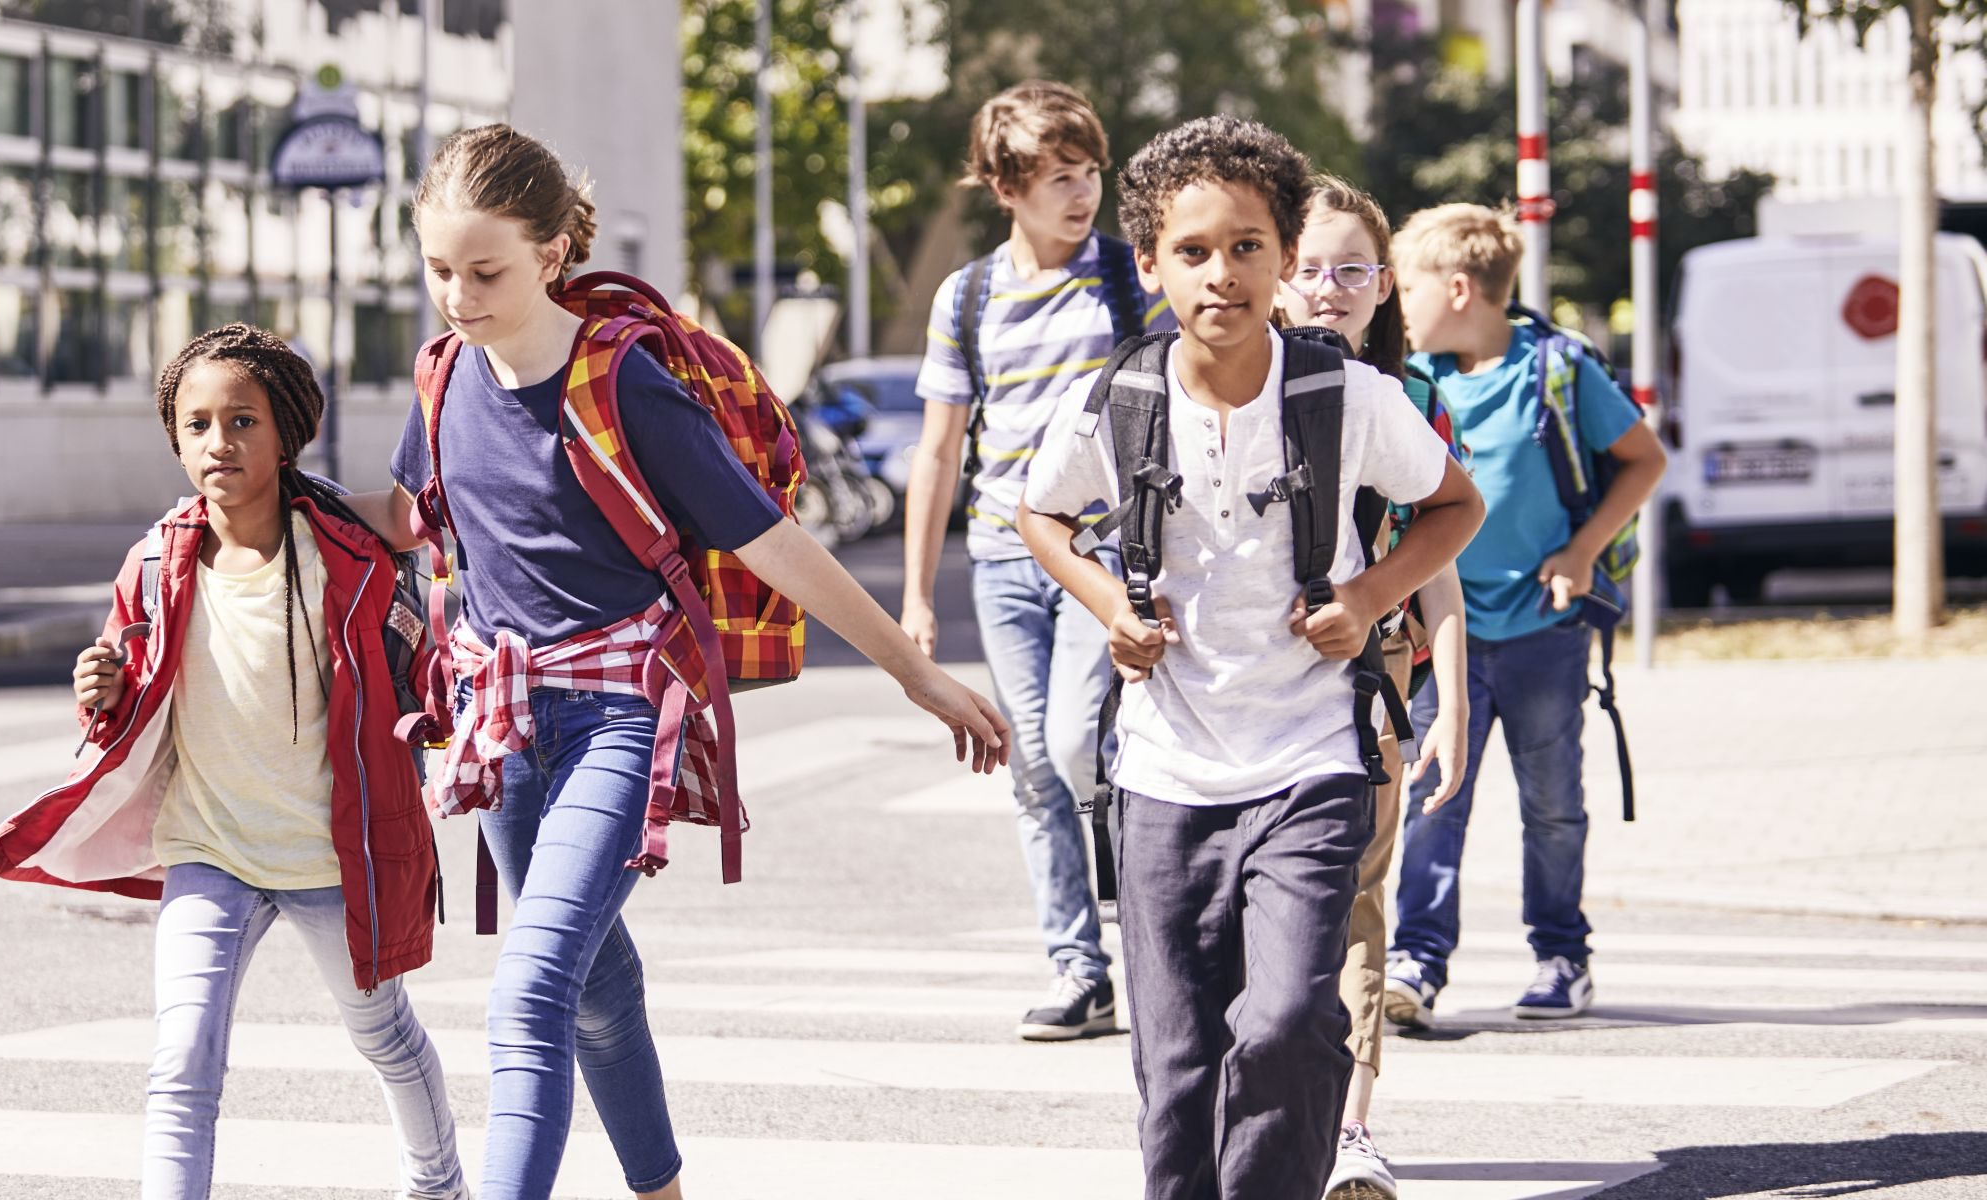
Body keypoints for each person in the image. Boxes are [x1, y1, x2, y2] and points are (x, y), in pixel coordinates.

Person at [354, 124, 1009, 1200]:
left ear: (554, 251)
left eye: (485, 272)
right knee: (596, 987)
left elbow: (774, 542)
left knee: (529, 992)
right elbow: (408, 515)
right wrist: (262, 488)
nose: (456, 297)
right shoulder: (441, 378)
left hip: (621, 716)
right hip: (503, 725)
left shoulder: (623, 385)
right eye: (437, 270)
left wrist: (915, 670)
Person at [1018, 116, 1484, 1200]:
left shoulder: (1343, 397)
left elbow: (1454, 504)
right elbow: (1040, 518)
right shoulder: (1119, 402)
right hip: (1163, 774)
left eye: (1245, 247)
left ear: (1281, 258)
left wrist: (1368, 597)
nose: (1219, 274)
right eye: (1191, 251)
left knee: (1281, 1024)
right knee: (1176, 1067)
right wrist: (1108, 609)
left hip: (1310, 761)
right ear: (1148, 263)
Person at [0, 324, 468, 1200]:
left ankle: (440, 1187)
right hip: (210, 848)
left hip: (332, 854)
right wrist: (100, 685)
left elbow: (416, 578)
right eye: (197, 424)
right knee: (182, 1058)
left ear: (286, 432)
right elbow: (129, 687)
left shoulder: (346, 548)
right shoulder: (156, 561)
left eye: (242, 421)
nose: (219, 443)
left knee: (383, 1036)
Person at [905, 80, 1160, 1041]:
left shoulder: (1130, 278)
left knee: (1073, 748)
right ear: (1004, 186)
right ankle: (1077, 968)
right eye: (1057, 176)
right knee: (1035, 769)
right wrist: (920, 597)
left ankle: (1159, 930)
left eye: (1089, 170)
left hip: (1104, 554)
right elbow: (939, 449)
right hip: (1006, 558)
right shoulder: (967, 296)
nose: (1081, 191)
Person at [1384, 204, 1668, 1026]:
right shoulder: (1414, 379)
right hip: (1448, 635)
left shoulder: (1559, 370)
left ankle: (1560, 954)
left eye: (1409, 286)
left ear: (1461, 289)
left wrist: (1582, 554)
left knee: (1552, 803)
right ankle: (1418, 961)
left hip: (1544, 631)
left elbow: (1644, 460)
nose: (1401, 303)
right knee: (1435, 800)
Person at [1275, 175, 1474, 1200]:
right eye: (1308, 267)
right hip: (1246, 677)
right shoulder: (1234, 382)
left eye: (1350, 269)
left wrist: (1455, 703)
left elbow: (1439, 551)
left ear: (1384, 282)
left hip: (1373, 676)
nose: (1326, 288)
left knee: (1355, 894)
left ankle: (1350, 1134)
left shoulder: (1413, 398)